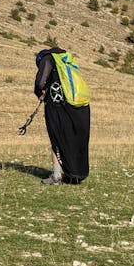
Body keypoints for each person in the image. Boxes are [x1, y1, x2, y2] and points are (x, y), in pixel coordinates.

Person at [34, 46, 91, 185]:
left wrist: (40, 94)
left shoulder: (47, 58)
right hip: (78, 105)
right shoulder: (67, 60)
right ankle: (75, 173)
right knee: (73, 139)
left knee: (56, 138)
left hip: (58, 106)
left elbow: (40, 82)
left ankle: (56, 175)